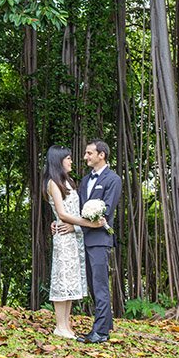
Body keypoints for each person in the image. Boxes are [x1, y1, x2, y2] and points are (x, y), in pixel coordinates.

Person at [57, 139, 120, 344]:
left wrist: (78, 225)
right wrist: (70, 225)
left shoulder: (113, 180)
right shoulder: (85, 180)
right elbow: (77, 210)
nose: (85, 157)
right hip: (83, 239)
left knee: (100, 285)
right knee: (94, 286)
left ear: (101, 155)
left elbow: (106, 211)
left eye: (89, 153)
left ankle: (100, 332)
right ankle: (105, 324)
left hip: (100, 240)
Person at [42, 145, 101, 340]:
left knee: (71, 281)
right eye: (68, 158)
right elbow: (62, 213)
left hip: (74, 236)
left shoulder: (68, 182)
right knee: (62, 278)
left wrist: (78, 227)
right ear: (58, 161)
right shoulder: (53, 183)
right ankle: (59, 325)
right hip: (63, 238)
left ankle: (65, 323)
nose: (71, 161)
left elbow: (73, 212)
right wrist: (88, 224)